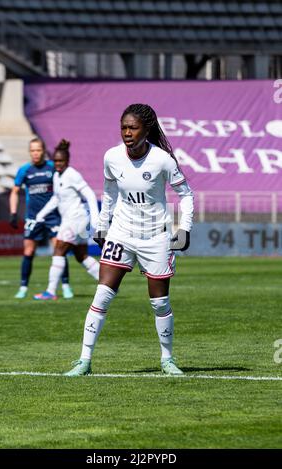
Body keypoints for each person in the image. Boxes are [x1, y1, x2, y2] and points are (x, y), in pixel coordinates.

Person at [64, 103, 194, 377]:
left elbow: (187, 195)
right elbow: (109, 193)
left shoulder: (163, 160)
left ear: (146, 130)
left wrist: (184, 229)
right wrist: (102, 225)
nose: (127, 132)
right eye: (123, 127)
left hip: (156, 236)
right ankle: (84, 361)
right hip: (121, 233)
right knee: (102, 295)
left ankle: (167, 360)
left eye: (133, 128)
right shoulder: (112, 157)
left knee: (160, 303)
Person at [33, 139, 100, 300]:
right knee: (81, 255)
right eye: (55, 160)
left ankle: (50, 291)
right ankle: (109, 285)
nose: (58, 163)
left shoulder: (72, 175)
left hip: (75, 219)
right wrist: (40, 215)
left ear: (67, 161)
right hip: (74, 220)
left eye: (61, 161)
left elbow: (90, 195)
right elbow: (56, 199)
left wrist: (96, 219)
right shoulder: (57, 176)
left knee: (58, 250)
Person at [9, 137, 73, 299]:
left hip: (52, 216)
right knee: (29, 251)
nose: (35, 153)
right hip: (33, 217)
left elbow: (67, 181)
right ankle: (23, 287)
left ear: (43, 151)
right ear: (29, 152)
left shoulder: (52, 167)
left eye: (38, 150)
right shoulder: (24, 170)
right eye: (32, 150)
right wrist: (13, 213)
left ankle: (65, 286)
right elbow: (14, 192)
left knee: (59, 250)